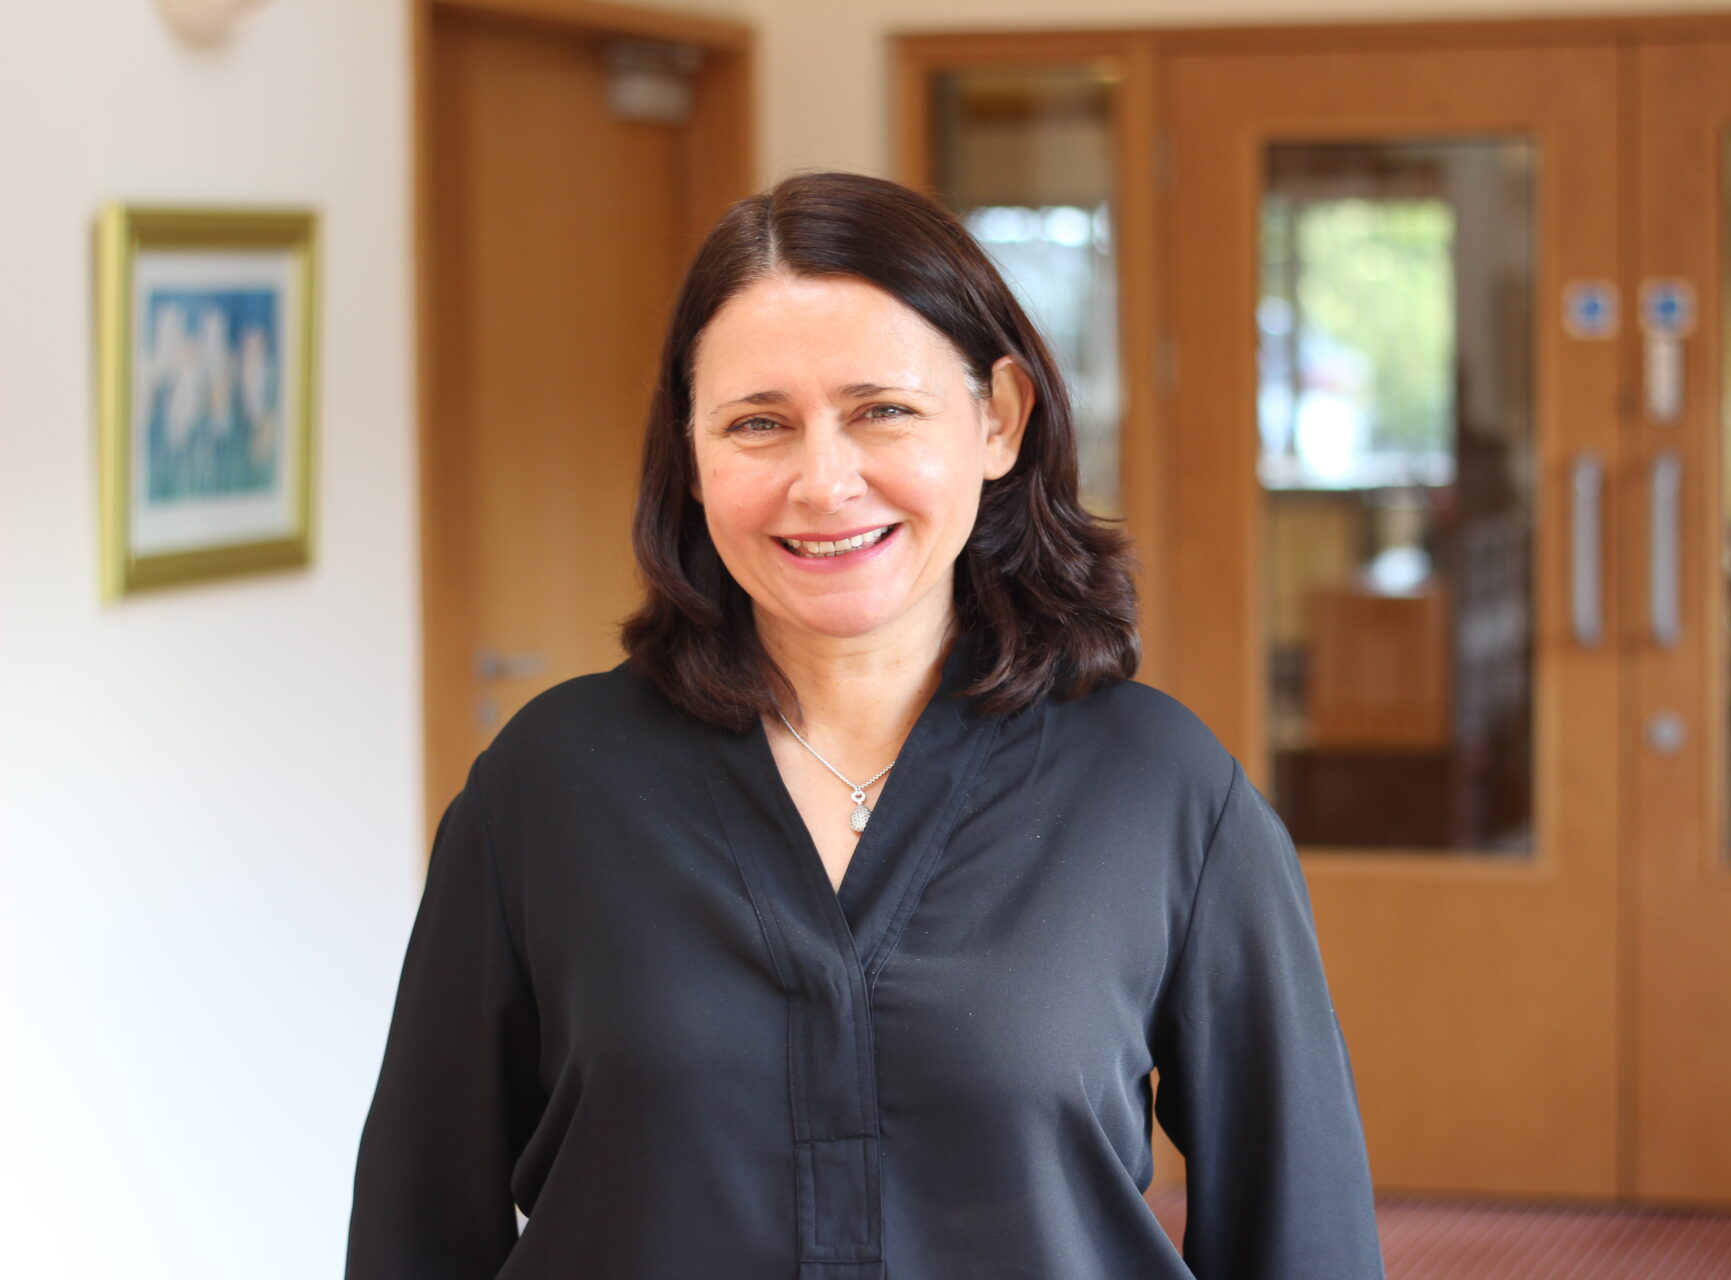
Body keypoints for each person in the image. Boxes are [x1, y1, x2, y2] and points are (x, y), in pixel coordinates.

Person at [344, 170, 1384, 1279]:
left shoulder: (1164, 790)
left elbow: (1303, 1236)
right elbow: (418, 1225)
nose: (824, 481)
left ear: (999, 419)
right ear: (692, 458)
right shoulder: (547, 789)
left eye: (881, 409)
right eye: (759, 423)